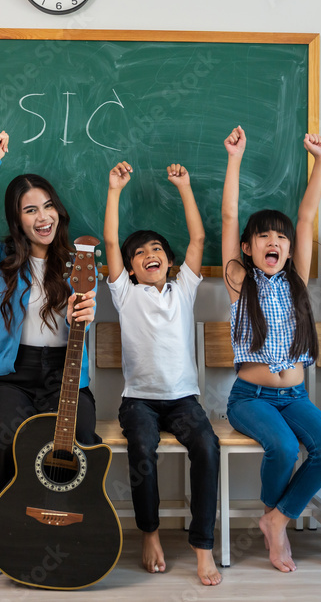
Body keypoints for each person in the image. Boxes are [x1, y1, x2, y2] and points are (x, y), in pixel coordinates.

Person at [0, 131, 98, 573]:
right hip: (11, 376)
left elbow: (84, 313)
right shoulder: (1, 259)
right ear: (18, 220)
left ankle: (62, 531)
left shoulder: (80, 260)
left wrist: (87, 310)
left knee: (78, 446)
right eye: (29, 210)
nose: (42, 217)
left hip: (65, 374)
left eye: (47, 206)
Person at [220, 125, 321, 573]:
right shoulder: (240, 281)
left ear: (290, 250)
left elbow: (307, 217)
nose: (274, 242)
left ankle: (276, 518)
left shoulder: (296, 284)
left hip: (295, 396)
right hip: (249, 398)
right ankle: (278, 523)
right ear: (248, 249)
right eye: (264, 237)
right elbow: (230, 216)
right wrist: (235, 159)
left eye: (282, 238)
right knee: (286, 450)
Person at [104, 160, 221, 586]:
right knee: (142, 453)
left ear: (169, 263)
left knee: (208, 449)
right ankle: (149, 534)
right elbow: (111, 239)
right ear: (130, 268)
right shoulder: (124, 294)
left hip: (184, 400)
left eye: (156, 250)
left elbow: (199, 237)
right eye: (139, 253)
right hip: (139, 401)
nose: (149, 255)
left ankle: (202, 545)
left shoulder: (183, 289)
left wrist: (185, 187)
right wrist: (115, 190)